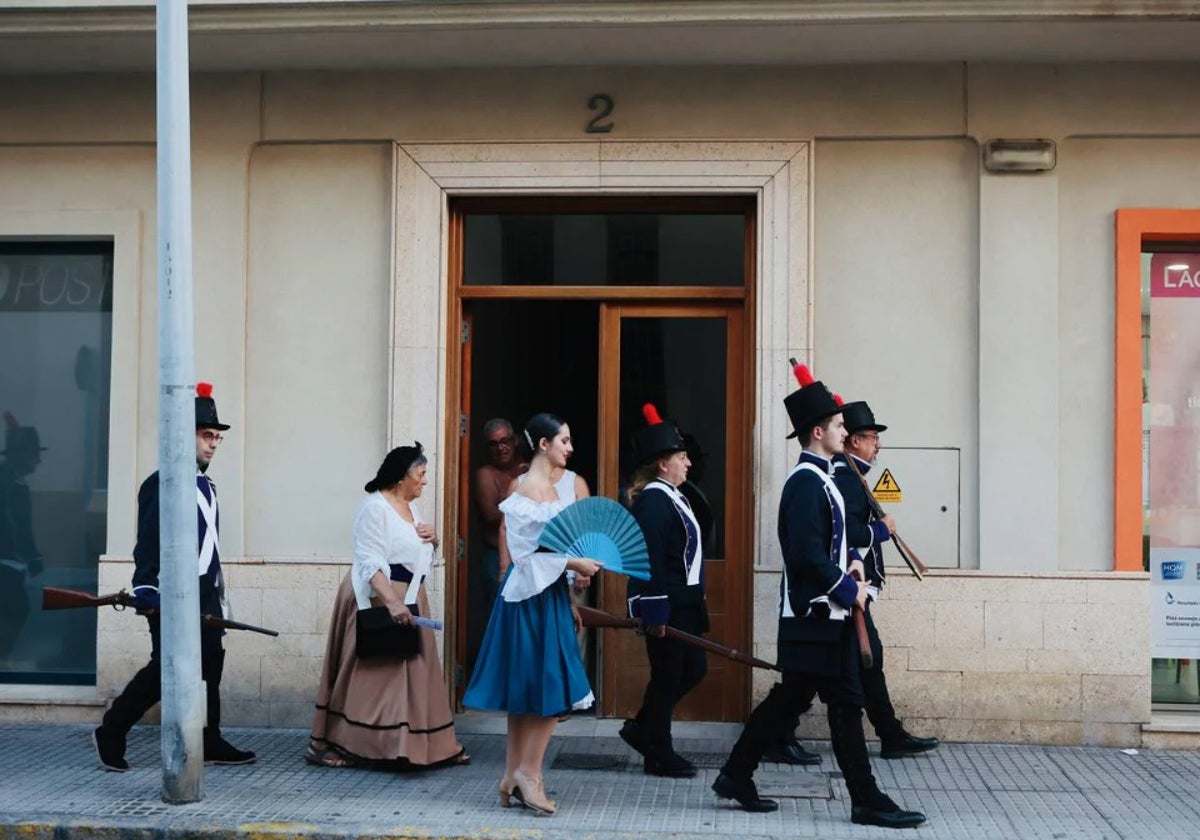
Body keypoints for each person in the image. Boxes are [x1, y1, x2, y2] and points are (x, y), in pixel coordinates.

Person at [711, 368, 925, 829]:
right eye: (839, 427)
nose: (845, 433)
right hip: (817, 615)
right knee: (843, 704)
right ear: (818, 431)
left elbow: (830, 542)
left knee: (792, 700)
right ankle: (865, 799)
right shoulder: (805, 483)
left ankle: (735, 774)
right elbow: (806, 554)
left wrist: (852, 562)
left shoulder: (821, 478)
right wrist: (851, 590)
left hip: (825, 615)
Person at [92, 382, 256, 772]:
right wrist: (147, 588)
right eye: (206, 435)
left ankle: (208, 737)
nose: (213, 444)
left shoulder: (207, 485)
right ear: (185, 437)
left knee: (211, 666)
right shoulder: (162, 482)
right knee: (164, 671)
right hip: (173, 595)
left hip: (205, 594)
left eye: (217, 437)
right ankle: (112, 730)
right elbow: (148, 540)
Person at [463, 412, 601, 816]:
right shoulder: (525, 490)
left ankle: (511, 774)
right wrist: (575, 565)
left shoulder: (548, 489)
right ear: (543, 445)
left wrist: (572, 582)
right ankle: (530, 776)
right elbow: (526, 559)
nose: (570, 448)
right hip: (529, 597)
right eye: (564, 441)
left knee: (529, 690)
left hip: (544, 595)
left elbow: (548, 552)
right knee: (552, 688)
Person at [307, 442, 468, 769]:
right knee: (374, 676)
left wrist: (432, 540)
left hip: (409, 596)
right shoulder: (374, 508)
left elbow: (410, 550)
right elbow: (369, 561)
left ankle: (424, 747)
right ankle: (347, 744)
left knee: (413, 675)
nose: (425, 481)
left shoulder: (410, 508)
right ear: (400, 478)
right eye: (421, 475)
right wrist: (392, 603)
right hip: (380, 599)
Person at [833, 400, 939, 759]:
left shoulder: (854, 474)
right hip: (848, 590)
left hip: (854, 590)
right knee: (859, 663)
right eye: (871, 437)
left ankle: (891, 735)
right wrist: (880, 529)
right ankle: (777, 732)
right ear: (853, 441)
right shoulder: (846, 477)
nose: (877, 444)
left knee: (868, 661)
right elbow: (842, 533)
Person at [620, 404, 708, 778]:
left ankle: (643, 729)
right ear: (662, 464)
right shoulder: (655, 501)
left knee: (692, 670)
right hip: (668, 605)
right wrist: (653, 612)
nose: (688, 462)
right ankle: (659, 751)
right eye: (681, 456)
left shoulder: (674, 495)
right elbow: (647, 559)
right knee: (669, 675)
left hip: (685, 604)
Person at [0, 413, 45, 662]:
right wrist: (33, 559)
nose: (37, 461)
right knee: (17, 608)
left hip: (8, 561)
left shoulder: (9, 479)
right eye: (33, 454)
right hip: (6, 562)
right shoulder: (14, 485)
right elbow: (18, 527)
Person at [474, 418, 529, 603]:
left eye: (505, 441)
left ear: (515, 441)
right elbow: (490, 514)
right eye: (494, 444)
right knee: (499, 612)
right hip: (497, 555)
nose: (500, 448)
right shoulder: (486, 474)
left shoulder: (528, 467)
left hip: (528, 553)